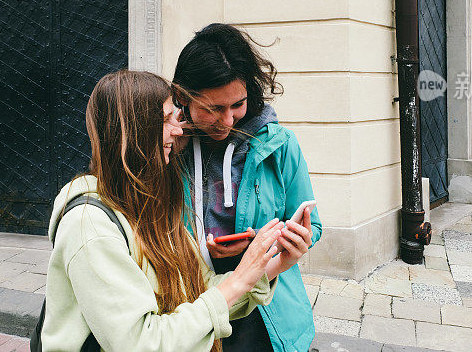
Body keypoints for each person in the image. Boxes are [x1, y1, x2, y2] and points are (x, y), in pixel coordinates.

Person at [41, 70, 294, 352]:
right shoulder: (89, 226)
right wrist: (237, 281)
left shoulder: (152, 206)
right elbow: (139, 342)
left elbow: (200, 292)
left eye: (176, 118)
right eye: (165, 120)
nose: (178, 130)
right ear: (132, 131)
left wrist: (273, 264)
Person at [173, 24, 322, 352]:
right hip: (194, 305)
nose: (227, 121)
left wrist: (274, 242)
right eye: (213, 108)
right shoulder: (170, 147)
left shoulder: (279, 144)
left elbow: (314, 224)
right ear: (182, 95)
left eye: (236, 105)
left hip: (266, 309)